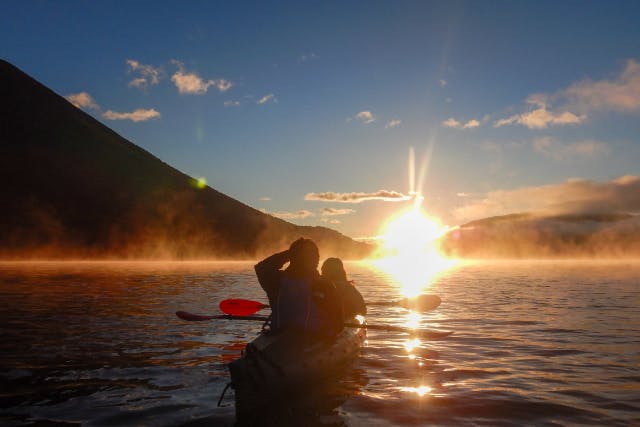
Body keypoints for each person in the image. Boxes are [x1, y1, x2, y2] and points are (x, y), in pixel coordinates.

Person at [254, 238, 343, 336]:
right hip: (310, 340)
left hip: (280, 339)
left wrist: (291, 253)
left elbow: (261, 268)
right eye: (314, 256)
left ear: (291, 258)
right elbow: (338, 325)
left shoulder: (275, 281)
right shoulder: (324, 285)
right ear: (316, 261)